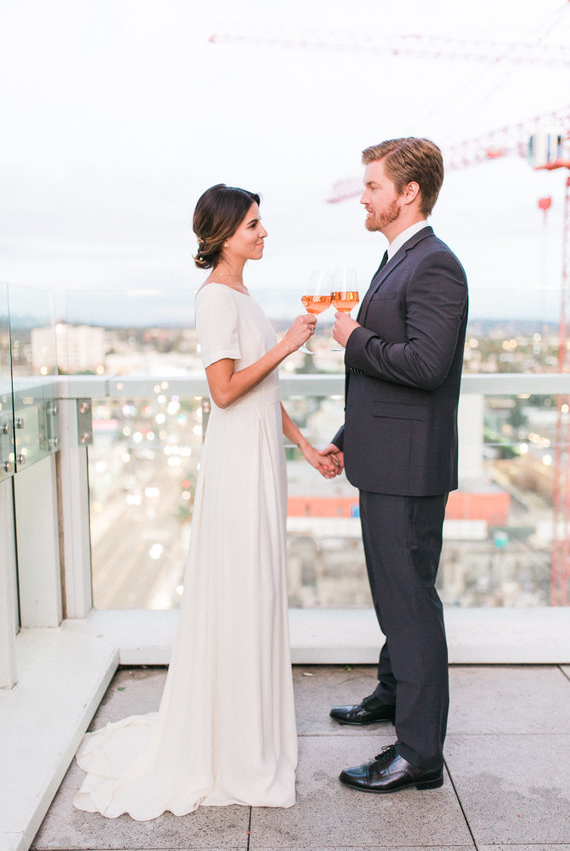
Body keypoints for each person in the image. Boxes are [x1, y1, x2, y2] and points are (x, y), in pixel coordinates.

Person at [73, 184, 337, 820]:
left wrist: (301, 445)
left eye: (261, 223)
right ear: (222, 235)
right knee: (241, 588)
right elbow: (224, 392)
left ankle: (248, 732)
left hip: (260, 455)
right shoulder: (216, 298)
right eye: (252, 225)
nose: (263, 232)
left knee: (258, 589)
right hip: (237, 460)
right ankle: (234, 745)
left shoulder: (242, 293)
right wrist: (288, 344)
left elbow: (264, 390)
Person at [321, 138, 468, 794]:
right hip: (385, 460)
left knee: (409, 602)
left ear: (408, 193)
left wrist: (356, 339)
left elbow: (425, 365)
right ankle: (392, 692)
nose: (364, 195)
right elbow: (389, 381)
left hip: (408, 470)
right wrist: (348, 436)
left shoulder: (434, 265)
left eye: (373, 185)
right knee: (396, 594)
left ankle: (418, 754)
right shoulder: (398, 259)